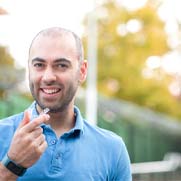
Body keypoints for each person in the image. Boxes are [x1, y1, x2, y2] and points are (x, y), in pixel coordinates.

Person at [0, 27, 132, 181]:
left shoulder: (113, 149)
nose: (48, 77)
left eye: (61, 65)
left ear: (82, 71)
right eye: (39, 65)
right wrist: (12, 165)